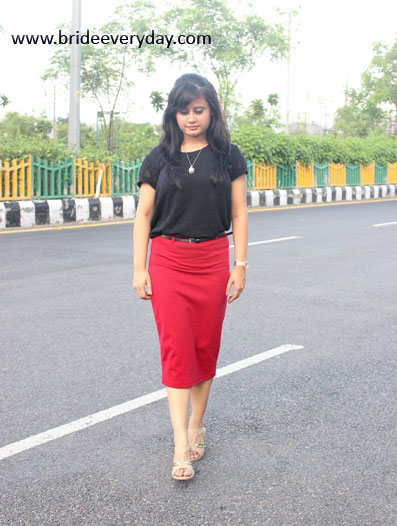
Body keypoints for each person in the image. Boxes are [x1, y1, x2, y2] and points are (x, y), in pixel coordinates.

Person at [132, 73, 249, 481]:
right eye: (183, 111)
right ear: (173, 113)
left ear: (212, 110)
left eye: (198, 110)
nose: (190, 118)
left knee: (204, 349)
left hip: (214, 260)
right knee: (177, 351)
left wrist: (240, 265)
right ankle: (180, 444)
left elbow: (238, 213)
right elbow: (144, 216)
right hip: (167, 261)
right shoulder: (159, 157)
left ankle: (198, 423)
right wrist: (138, 267)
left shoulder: (228, 155)